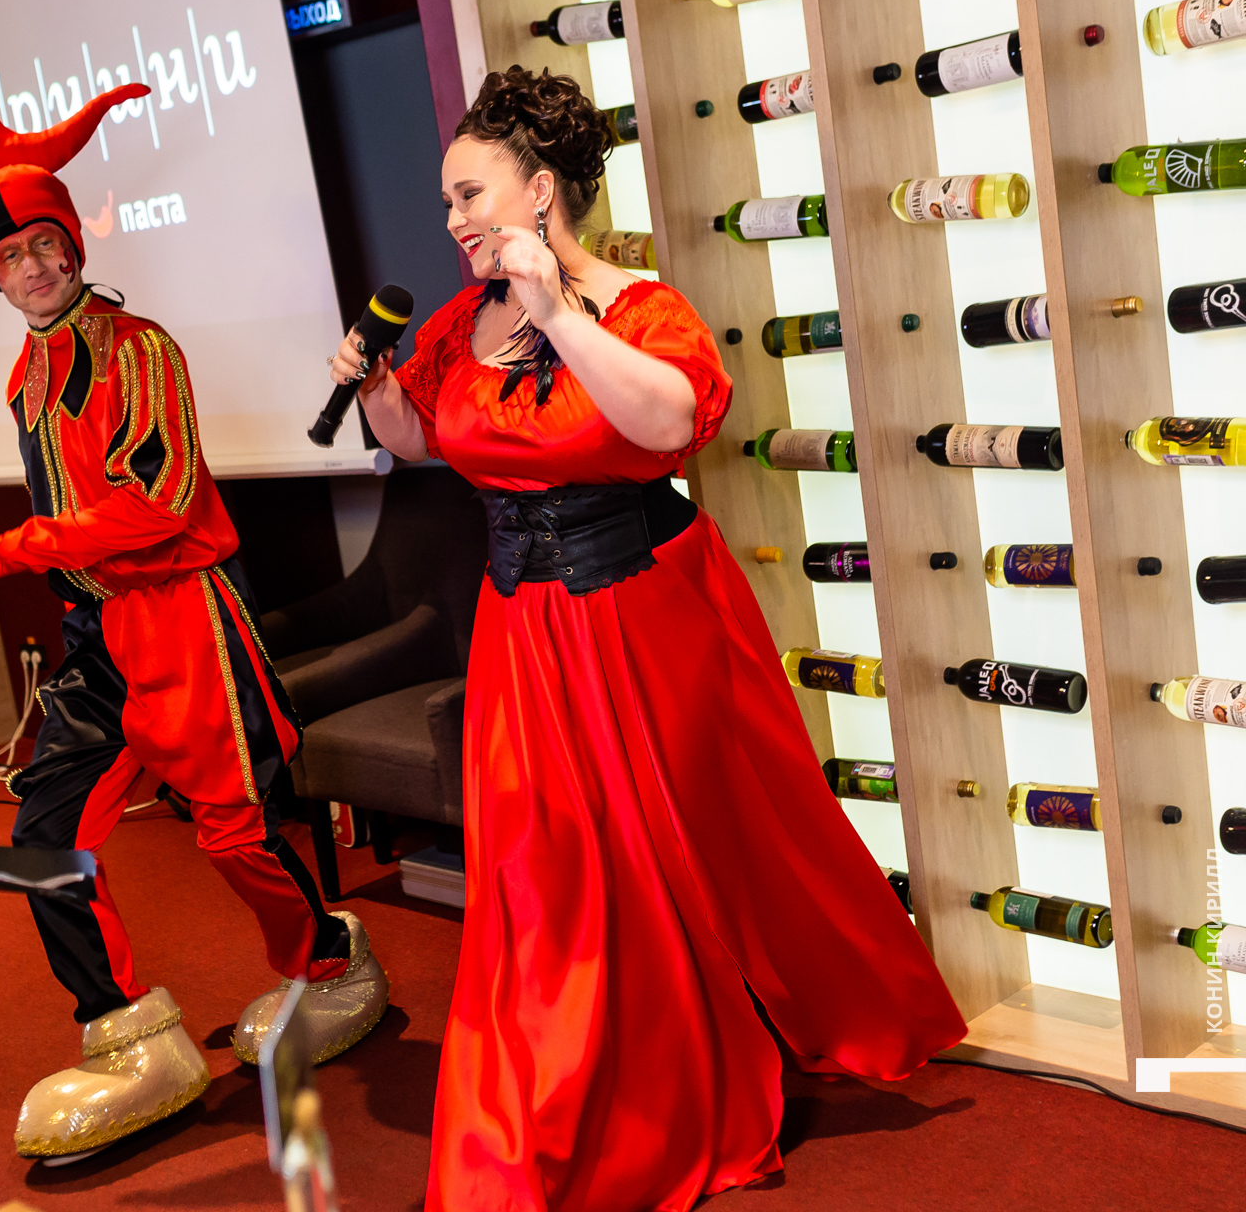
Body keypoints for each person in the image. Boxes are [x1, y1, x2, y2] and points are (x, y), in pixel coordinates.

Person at [334, 66, 969, 1211]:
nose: (454, 220)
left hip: (642, 612)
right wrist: (378, 389)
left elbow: (668, 423)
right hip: (522, 632)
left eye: (469, 195)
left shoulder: (636, 307)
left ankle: (691, 1068)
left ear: (539, 191)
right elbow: (429, 439)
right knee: (540, 874)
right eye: (447, 202)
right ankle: (555, 1099)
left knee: (669, 848)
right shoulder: (459, 325)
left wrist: (554, 310)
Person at [0, 81, 388, 1163]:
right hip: (99, 636)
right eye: (12, 256)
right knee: (44, 839)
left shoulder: (138, 349)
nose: (35, 266)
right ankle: (126, 1030)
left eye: (46, 245)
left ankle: (331, 962)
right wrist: (49, 574)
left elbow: (160, 501)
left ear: (73, 245)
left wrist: (7, 548)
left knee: (236, 834)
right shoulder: (27, 369)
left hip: (186, 622)